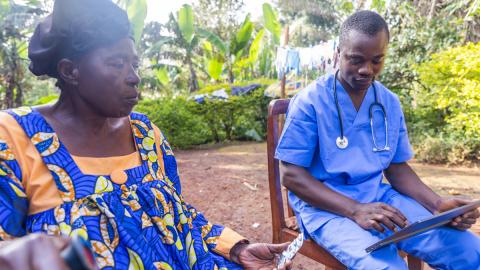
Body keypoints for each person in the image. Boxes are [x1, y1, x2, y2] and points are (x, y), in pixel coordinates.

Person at [0, 0, 291, 269]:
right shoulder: (15, 138)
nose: (134, 77)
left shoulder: (145, 133)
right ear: (70, 71)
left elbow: (176, 215)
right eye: (117, 64)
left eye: (134, 64)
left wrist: (237, 248)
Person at [275, 10, 480, 270]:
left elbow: (395, 167)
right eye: (356, 59)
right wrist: (354, 209)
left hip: (380, 198)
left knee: (469, 250)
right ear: (338, 53)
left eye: (377, 60)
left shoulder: (388, 103)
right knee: (384, 267)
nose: (366, 70)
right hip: (326, 208)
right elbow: (291, 175)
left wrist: (437, 204)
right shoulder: (310, 102)